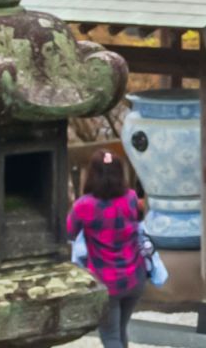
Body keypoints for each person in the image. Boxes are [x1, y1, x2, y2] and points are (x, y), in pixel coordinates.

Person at [66, 145, 155, 346]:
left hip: (107, 281)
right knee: (120, 331)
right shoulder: (131, 198)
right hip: (135, 277)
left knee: (110, 336)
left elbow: (68, 232)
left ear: (91, 174)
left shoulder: (84, 206)